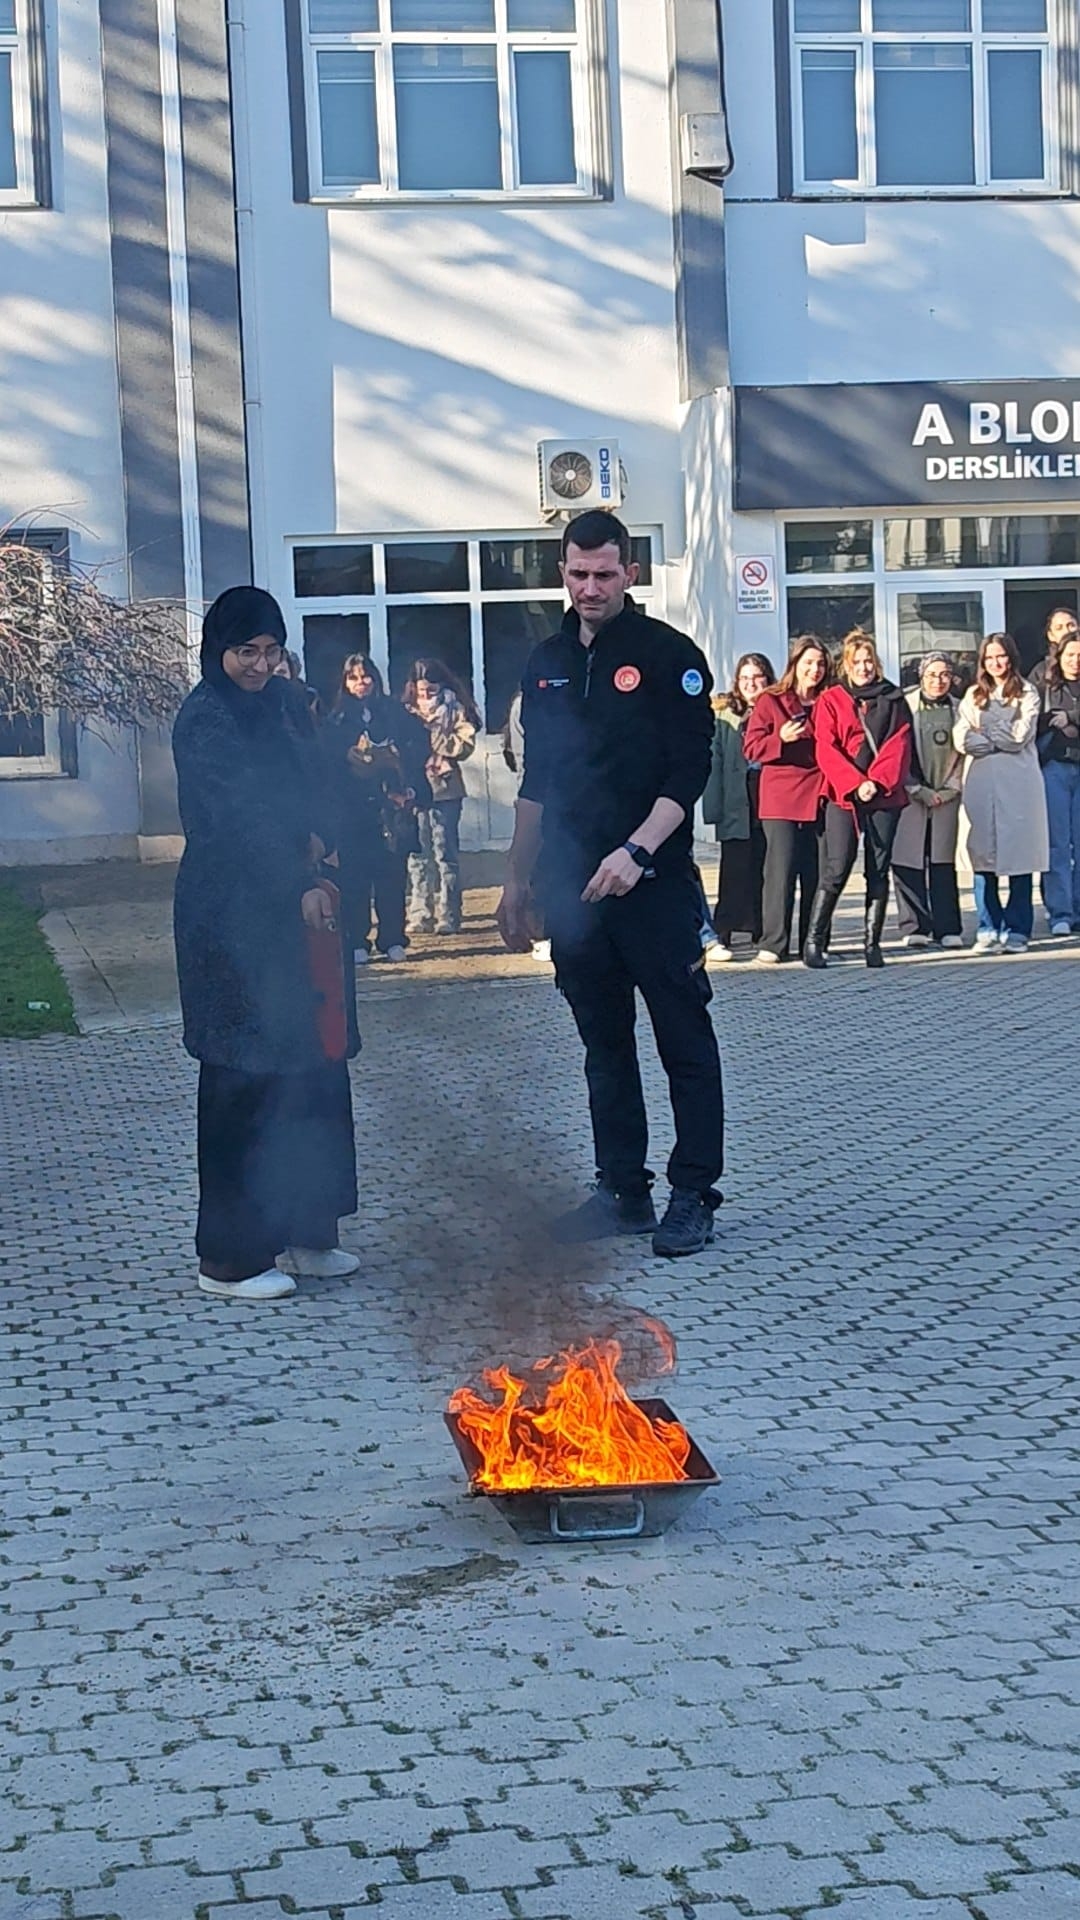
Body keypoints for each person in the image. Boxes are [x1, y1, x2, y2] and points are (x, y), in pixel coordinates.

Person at [496, 509, 723, 1259]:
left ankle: (693, 1192)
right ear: (562, 571)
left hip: (650, 882)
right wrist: (516, 882)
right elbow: (539, 780)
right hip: (575, 889)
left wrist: (636, 850)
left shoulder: (670, 657)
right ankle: (622, 1190)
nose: (589, 587)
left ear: (631, 572)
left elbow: (687, 772)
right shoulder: (547, 660)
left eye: (604, 574)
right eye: (576, 573)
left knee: (682, 1038)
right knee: (603, 1043)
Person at [172, 586, 359, 1302]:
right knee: (244, 1081)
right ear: (218, 651)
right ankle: (230, 1258)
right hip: (233, 921)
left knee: (313, 1068)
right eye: (244, 650)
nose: (257, 664)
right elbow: (237, 817)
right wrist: (296, 879)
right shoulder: (206, 718)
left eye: (269, 650)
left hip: (301, 914)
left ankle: (309, 1232)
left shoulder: (287, 703)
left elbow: (317, 781)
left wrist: (326, 840)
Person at [808, 631, 913, 970]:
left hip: (884, 794)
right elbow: (825, 747)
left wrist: (876, 782)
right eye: (858, 662)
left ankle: (873, 943)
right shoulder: (832, 699)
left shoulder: (894, 698)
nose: (864, 667)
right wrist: (855, 783)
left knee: (878, 869)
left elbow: (900, 743)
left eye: (869, 661)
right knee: (837, 867)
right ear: (847, 665)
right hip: (844, 794)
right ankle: (815, 941)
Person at [323, 653, 431, 966]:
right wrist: (350, 757)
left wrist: (401, 766)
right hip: (353, 809)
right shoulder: (337, 718)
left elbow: (419, 742)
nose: (361, 683)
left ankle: (393, 939)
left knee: (392, 877)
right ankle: (357, 940)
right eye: (354, 678)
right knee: (355, 879)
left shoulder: (393, 711)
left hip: (390, 807)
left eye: (366, 676)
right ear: (345, 682)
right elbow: (327, 761)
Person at [954, 632, 1048, 953]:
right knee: (983, 859)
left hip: (1019, 783)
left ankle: (1018, 929)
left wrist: (988, 733)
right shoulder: (972, 695)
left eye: (1001, 656)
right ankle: (987, 927)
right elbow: (962, 737)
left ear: (1011, 657)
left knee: (1019, 857)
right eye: (989, 657)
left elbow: (1020, 737)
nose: (996, 663)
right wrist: (992, 735)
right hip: (980, 782)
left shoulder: (1028, 693)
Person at [742, 637, 832, 965]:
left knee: (819, 872)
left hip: (822, 794)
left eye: (820, 664)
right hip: (781, 797)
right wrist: (779, 739)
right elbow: (751, 748)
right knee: (779, 872)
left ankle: (815, 940)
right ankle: (774, 942)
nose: (814, 670)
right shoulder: (772, 700)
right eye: (808, 663)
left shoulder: (832, 700)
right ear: (795, 664)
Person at [701, 652, 775, 961]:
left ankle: (761, 928)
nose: (751, 684)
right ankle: (726, 928)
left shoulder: (776, 710)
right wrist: (712, 809)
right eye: (745, 679)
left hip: (768, 796)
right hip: (736, 800)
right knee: (734, 867)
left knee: (765, 864)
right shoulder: (724, 716)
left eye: (757, 678)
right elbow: (713, 763)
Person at [891, 653, 964, 949]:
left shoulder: (960, 708)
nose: (938, 680)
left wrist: (948, 790)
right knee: (908, 858)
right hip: (912, 793)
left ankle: (948, 927)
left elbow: (966, 751)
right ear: (921, 676)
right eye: (932, 675)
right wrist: (915, 788)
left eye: (945, 674)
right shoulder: (904, 705)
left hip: (947, 795)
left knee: (942, 861)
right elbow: (895, 749)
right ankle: (914, 925)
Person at [403, 657, 479, 936]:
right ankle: (419, 912)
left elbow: (465, 744)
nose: (425, 695)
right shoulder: (406, 712)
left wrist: (437, 742)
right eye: (421, 689)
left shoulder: (455, 709)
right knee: (416, 855)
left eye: (431, 690)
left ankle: (449, 913)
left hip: (446, 789)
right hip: (414, 788)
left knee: (445, 853)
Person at [1037, 630, 1080, 935]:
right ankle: (1061, 912)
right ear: (1059, 657)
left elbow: (1066, 720)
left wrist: (1072, 718)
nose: (1075, 661)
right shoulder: (1045, 686)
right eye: (1070, 655)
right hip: (1056, 769)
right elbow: (1036, 722)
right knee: (1057, 845)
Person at [1030, 607, 1078, 691]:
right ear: (1051, 635)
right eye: (1059, 628)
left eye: (1071, 625)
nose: (1066, 631)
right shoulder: (1041, 672)